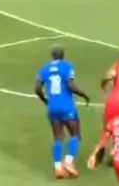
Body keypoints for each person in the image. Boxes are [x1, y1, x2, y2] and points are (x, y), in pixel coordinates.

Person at [35, 46, 90, 178]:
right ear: (63, 55)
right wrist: (83, 95)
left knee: (58, 137)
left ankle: (58, 167)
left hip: (52, 107)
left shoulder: (45, 69)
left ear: (52, 56)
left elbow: (37, 88)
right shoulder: (67, 66)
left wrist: (45, 100)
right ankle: (69, 161)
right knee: (75, 134)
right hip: (67, 106)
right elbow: (70, 85)